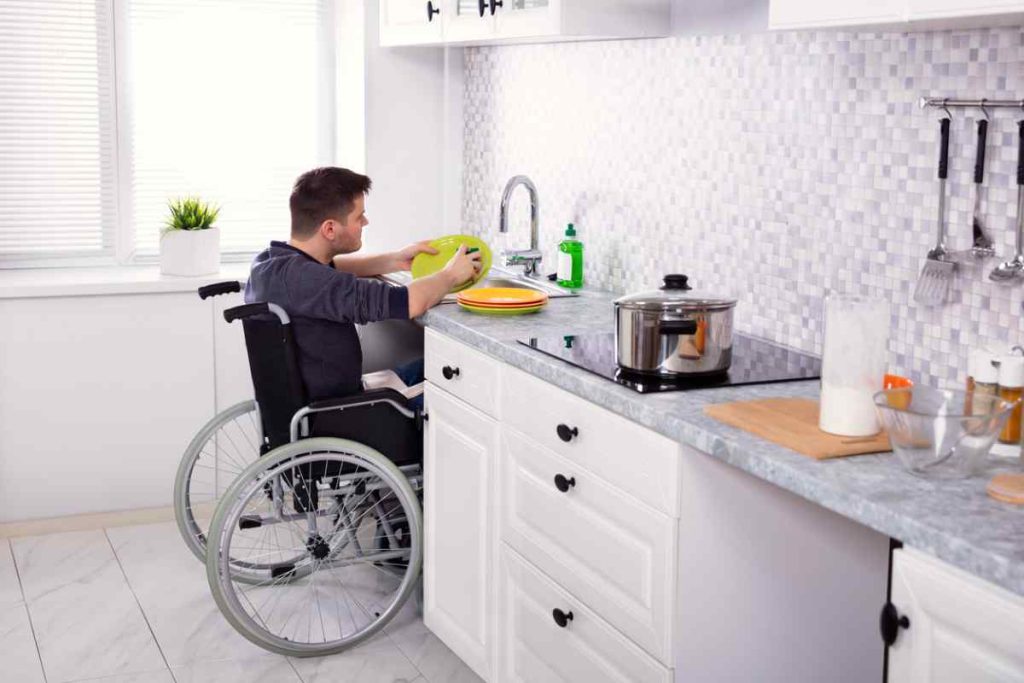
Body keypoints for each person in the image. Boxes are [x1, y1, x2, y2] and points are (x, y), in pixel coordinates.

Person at [245, 166, 479, 408]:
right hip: (344, 413)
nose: (365, 222)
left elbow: (334, 268)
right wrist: (451, 274)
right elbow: (410, 302)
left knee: (432, 367)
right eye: (359, 217)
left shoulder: (270, 265)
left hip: (315, 406)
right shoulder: (312, 281)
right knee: (465, 387)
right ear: (330, 229)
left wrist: (394, 259)